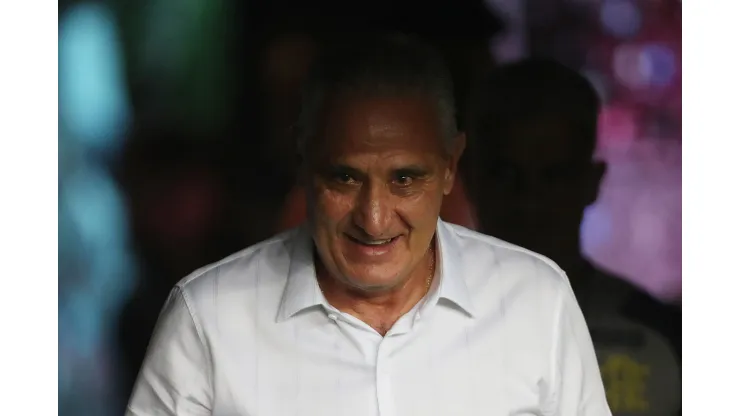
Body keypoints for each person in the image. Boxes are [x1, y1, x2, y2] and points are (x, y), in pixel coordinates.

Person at [126, 34, 610, 416]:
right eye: (345, 177)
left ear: (450, 167)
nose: (374, 218)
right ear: (302, 164)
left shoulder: (536, 302)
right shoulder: (208, 318)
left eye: (404, 179)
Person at [466, 58, 681, 416]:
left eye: (553, 176)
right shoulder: (408, 327)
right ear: (466, 176)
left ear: (591, 181)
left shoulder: (661, 339)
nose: (529, 200)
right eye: (506, 174)